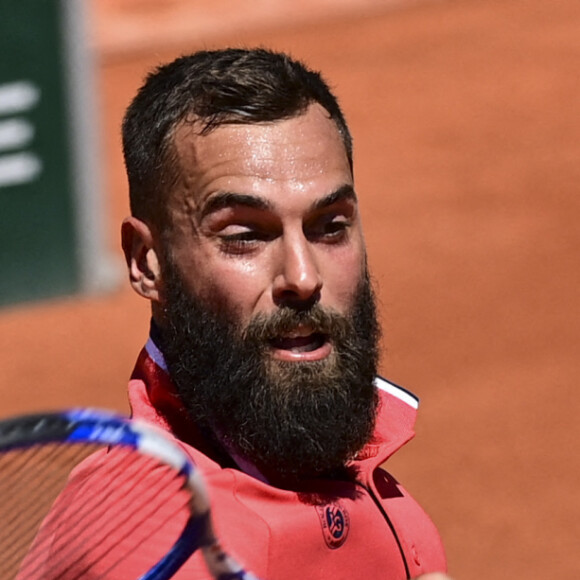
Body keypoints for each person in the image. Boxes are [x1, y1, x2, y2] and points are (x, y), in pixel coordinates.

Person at [27, 48, 451, 580]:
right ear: (146, 263)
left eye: (330, 226)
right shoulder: (153, 546)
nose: (302, 276)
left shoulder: (329, 453)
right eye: (244, 236)